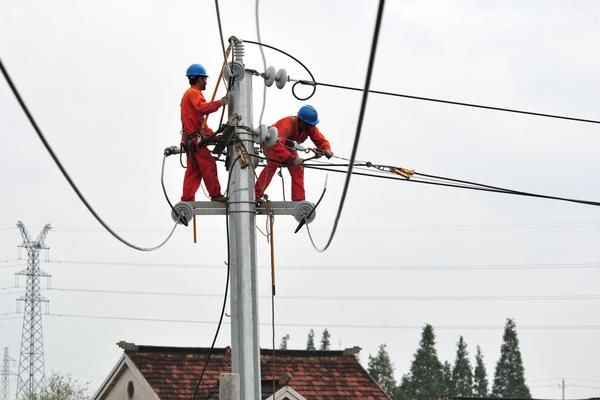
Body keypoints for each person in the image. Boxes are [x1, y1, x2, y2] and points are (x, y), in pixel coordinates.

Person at [255, 105, 333, 201]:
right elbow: (275, 145)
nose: (312, 127)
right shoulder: (287, 124)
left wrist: (326, 149)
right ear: (301, 122)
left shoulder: (309, 127)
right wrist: (292, 158)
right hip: (271, 142)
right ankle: (256, 195)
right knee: (273, 164)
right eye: (310, 125)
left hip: (287, 145)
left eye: (313, 125)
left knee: (298, 168)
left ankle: (299, 201)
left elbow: (319, 139)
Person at [180, 63, 229, 202]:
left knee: (194, 172)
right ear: (199, 79)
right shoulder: (193, 93)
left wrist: (215, 137)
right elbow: (202, 108)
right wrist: (220, 103)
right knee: (208, 165)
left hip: (192, 141)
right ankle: (215, 194)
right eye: (204, 78)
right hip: (194, 141)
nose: (206, 81)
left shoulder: (190, 95)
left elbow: (202, 126)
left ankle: (187, 199)